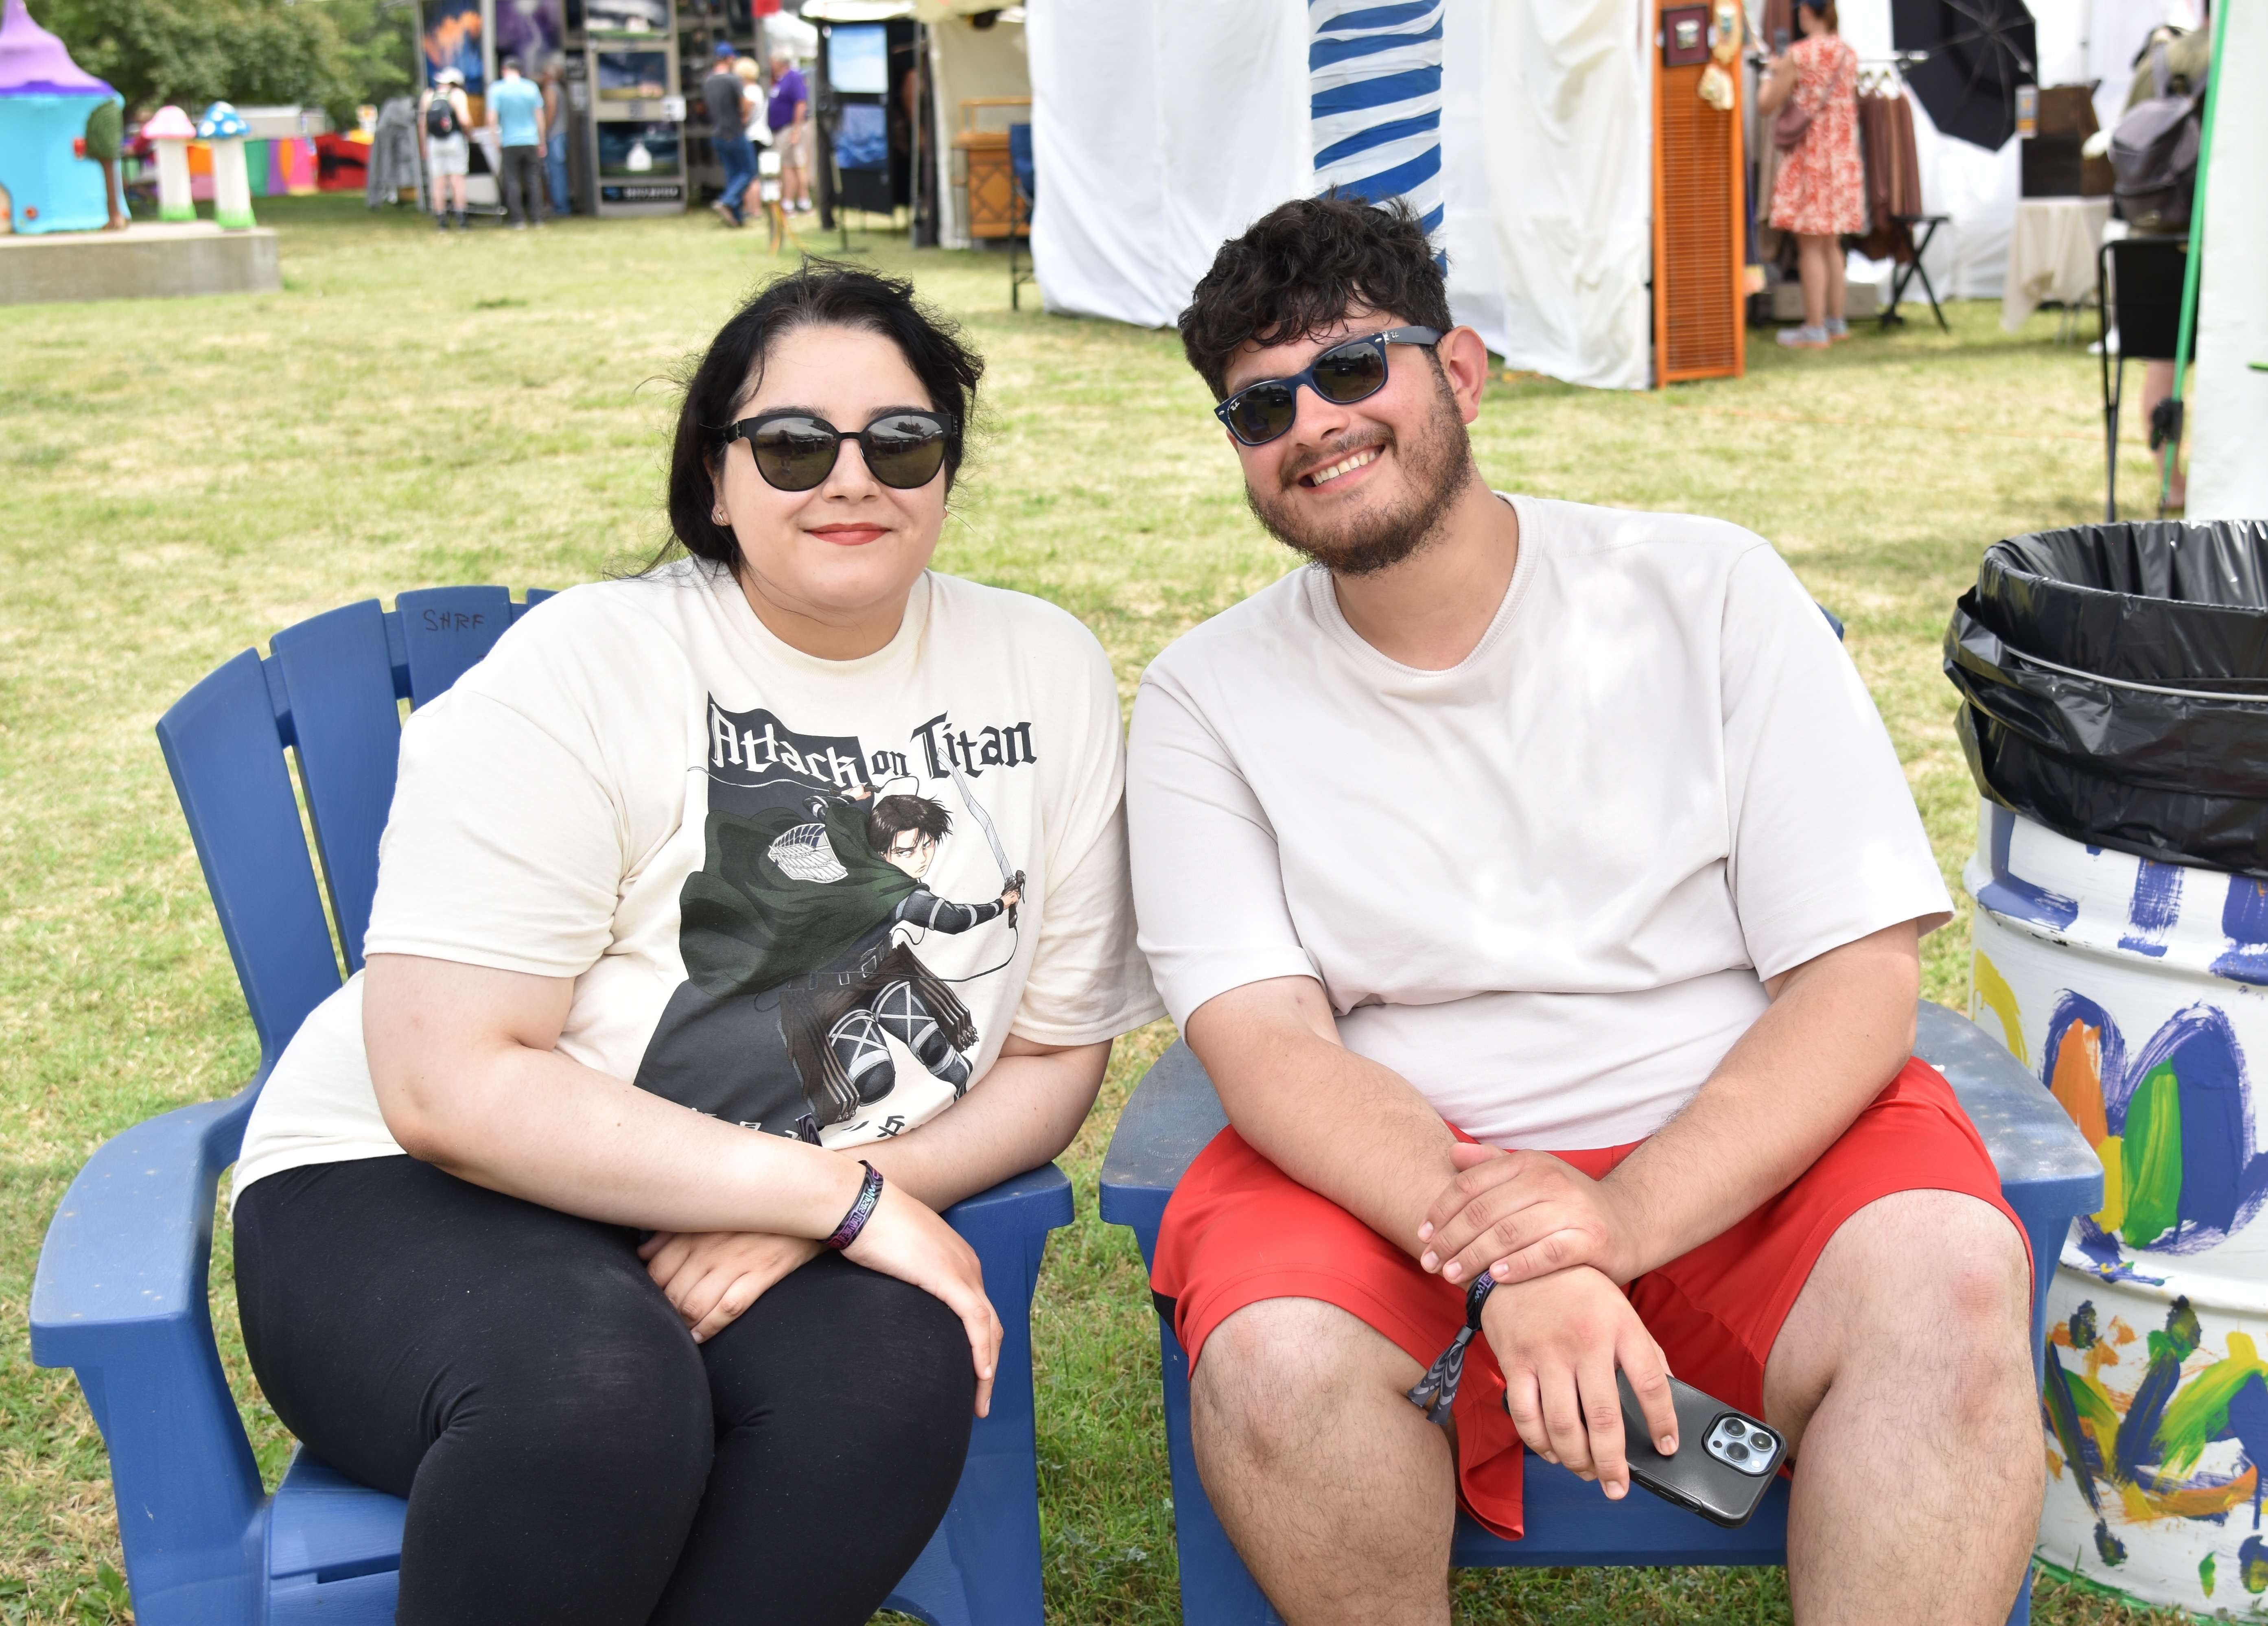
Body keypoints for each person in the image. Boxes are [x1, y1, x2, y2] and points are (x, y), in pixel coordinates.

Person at [1125, 194, 2039, 1626]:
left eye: (1356, 366)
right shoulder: (1203, 695)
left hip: (1735, 1135)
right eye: (1260, 404)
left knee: (1950, 1283)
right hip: (1396, 1173)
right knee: (1278, 1359)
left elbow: (1853, 980)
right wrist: (1510, 1256)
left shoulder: (1707, 589)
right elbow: (1268, 1045)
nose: (1313, 420)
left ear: (1465, 371)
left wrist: (1611, 1220)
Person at [228, 262, 1162, 1626]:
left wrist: (849, 1189)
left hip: (778, 1190)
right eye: (792, 444)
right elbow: (445, 1084)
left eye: (900, 441)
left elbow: (1053, 1053)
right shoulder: (584, 668)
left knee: (889, 1383)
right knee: (595, 1393)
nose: (852, 480)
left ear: (946, 471)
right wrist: (829, 1200)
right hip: (412, 1181)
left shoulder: (1046, 669)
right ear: (715, 481)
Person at [1759, 0, 1863, 348]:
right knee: (1832, 243)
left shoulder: (1799, 54)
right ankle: (1835, 321)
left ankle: (1814, 327)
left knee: (1810, 246)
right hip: (1842, 157)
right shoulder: (1848, 53)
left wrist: (1768, 74)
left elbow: (1767, 104)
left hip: (1812, 158)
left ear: (1806, 11)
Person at [488, 55, 547, 229]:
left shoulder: (497, 89)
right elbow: (540, 117)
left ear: (503, 71)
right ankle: (537, 219)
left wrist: (495, 139)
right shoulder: (531, 88)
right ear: (521, 71)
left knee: (512, 180)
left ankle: (518, 220)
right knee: (534, 180)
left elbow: (492, 118)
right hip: (531, 140)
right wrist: (542, 141)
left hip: (509, 141)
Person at [705, 42, 756, 227]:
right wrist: (748, 111)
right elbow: (743, 105)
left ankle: (736, 219)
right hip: (735, 132)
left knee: (733, 175)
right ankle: (727, 201)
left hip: (717, 134)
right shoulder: (733, 80)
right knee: (749, 171)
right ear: (729, 59)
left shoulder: (708, 80)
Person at [418, 67, 472, 233]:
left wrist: (423, 146)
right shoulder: (457, 96)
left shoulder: (428, 95)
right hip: (454, 141)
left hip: (434, 142)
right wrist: (471, 134)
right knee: (457, 182)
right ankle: (462, 220)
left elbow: (422, 124)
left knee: (438, 183)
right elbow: (464, 120)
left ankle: (442, 221)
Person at [768, 49, 811, 214]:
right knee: (788, 165)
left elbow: (801, 103)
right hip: (782, 130)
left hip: (791, 129)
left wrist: (797, 129)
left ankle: (801, 201)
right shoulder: (780, 80)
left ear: (780, 62)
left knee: (795, 165)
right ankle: (790, 201)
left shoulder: (793, 77)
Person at [541, 59, 570, 216]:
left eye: (544, 74)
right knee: (559, 171)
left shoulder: (551, 89)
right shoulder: (561, 89)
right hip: (561, 135)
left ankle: (560, 208)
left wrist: (543, 132)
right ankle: (562, 206)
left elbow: (551, 110)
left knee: (555, 172)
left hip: (554, 136)